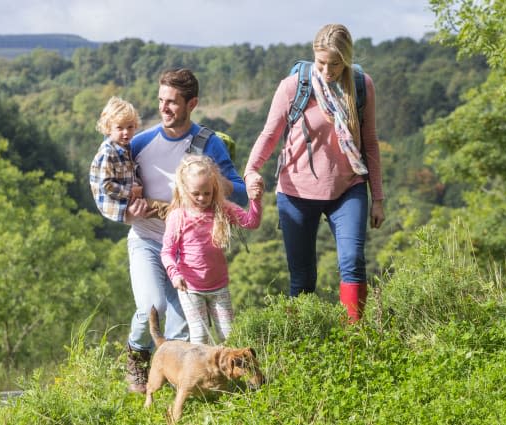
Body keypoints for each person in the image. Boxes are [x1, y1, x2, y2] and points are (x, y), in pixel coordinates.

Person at [244, 23, 385, 323]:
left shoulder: (361, 85)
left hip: (348, 187)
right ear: (313, 57)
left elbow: (370, 143)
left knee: (352, 261)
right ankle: (301, 342)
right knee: (303, 278)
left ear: (346, 59)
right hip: (296, 193)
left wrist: (378, 199)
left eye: (335, 63)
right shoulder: (294, 86)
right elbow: (269, 134)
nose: (328, 70)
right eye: (321, 62)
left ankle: (354, 339)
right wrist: (251, 170)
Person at [123, 68, 252, 393]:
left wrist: (208, 178)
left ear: (191, 103)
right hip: (148, 240)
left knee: (182, 336)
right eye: (161, 100)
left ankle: (182, 393)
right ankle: (136, 354)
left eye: (173, 102)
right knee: (152, 305)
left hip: (189, 255)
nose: (164, 108)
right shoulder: (140, 142)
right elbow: (113, 184)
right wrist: (126, 210)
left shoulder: (208, 144)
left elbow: (239, 189)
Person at [161, 154, 263, 345]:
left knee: (229, 336)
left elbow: (251, 222)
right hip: (190, 288)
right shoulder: (178, 216)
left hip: (218, 286)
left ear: (214, 188)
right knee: (200, 336)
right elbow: (167, 252)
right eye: (196, 193)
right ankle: (203, 375)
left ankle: (229, 373)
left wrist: (255, 200)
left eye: (207, 193)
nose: (202, 198)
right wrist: (174, 274)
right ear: (184, 190)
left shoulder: (222, 209)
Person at [89, 96, 142, 222]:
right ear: (108, 129)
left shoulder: (125, 147)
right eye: (119, 128)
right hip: (116, 206)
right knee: (153, 208)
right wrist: (131, 192)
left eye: (130, 127)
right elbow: (106, 185)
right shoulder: (108, 153)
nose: (126, 132)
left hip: (125, 198)